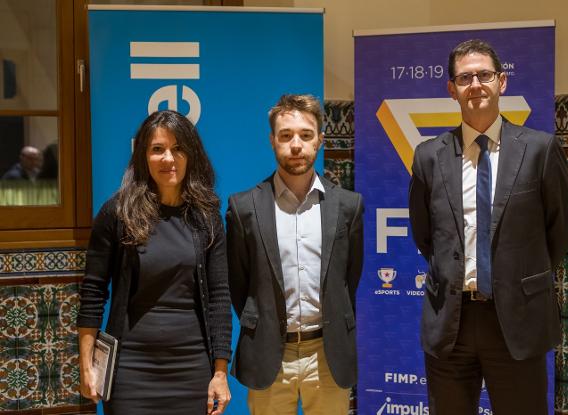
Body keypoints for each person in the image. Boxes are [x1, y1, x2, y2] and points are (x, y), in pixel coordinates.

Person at [408, 39, 568, 414]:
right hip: (451, 321)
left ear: (502, 82)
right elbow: (424, 235)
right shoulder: (429, 157)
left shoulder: (540, 149)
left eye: (484, 75)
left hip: (516, 319)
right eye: (465, 78)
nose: (476, 85)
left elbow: (560, 231)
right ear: (452, 89)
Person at [77, 110, 232, 415]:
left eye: (178, 149)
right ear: (143, 157)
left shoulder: (207, 216)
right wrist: (86, 364)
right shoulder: (117, 213)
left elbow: (219, 297)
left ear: (192, 154)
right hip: (130, 367)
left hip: (191, 367)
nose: (168, 159)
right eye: (157, 149)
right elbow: (93, 293)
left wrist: (220, 373)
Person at [226, 94, 364, 415]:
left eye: (305, 134)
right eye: (286, 135)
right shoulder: (244, 208)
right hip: (270, 353)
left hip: (327, 354)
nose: (296, 144)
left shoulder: (348, 206)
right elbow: (239, 284)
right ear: (273, 140)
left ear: (320, 140)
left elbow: (349, 279)